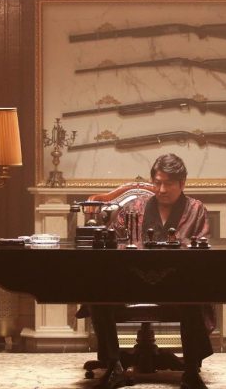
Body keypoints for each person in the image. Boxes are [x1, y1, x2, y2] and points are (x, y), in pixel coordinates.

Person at [90, 153, 213, 389]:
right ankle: (114, 366)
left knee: (195, 292)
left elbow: (201, 252)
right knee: (97, 292)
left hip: (178, 285)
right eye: (157, 183)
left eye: (168, 183)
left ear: (182, 183)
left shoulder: (195, 209)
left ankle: (190, 371)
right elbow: (115, 244)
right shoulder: (134, 208)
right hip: (132, 282)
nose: (161, 189)